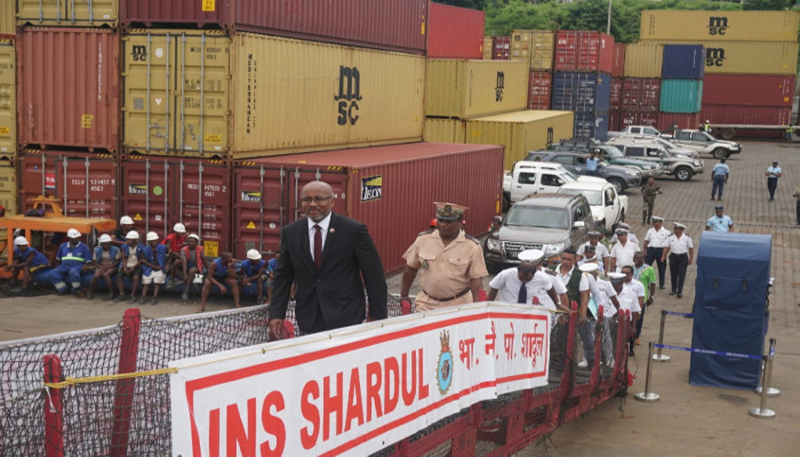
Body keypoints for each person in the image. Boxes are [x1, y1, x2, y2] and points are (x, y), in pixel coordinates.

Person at [270, 181, 387, 338]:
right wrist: (277, 314)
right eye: (306, 199)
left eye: (319, 199)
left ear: (332, 201)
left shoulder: (353, 231)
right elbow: (283, 276)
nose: (312, 204)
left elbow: (374, 275)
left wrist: (377, 316)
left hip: (347, 318)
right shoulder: (291, 233)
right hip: (309, 319)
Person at [401, 202, 487, 313]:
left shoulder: (472, 247)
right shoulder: (423, 239)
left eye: (449, 222)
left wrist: (477, 309)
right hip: (426, 304)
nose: (443, 225)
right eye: (440, 220)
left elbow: (476, 282)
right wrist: (404, 296)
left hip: (459, 305)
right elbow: (410, 268)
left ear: (460, 223)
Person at [487, 249, 564, 311]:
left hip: (529, 312)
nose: (523, 280)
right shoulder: (505, 274)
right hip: (508, 311)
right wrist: (487, 305)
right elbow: (494, 288)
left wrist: (557, 304)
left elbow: (551, 289)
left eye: (527, 279)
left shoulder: (542, 277)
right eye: (521, 278)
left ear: (534, 274)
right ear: (518, 271)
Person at [554, 249, 593, 367]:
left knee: (586, 338)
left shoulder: (580, 275)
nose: (565, 262)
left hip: (573, 312)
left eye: (569, 259)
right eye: (563, 258)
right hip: (553, 312)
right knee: (555, 339)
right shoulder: (550, 272)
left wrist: (582, 314)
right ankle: (557, 363)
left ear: (575, 260)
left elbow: (584, 295)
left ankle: (591, 361)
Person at [580, 263, 619, 368]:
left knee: (606, 337)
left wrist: (609, 314)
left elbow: (615, 301)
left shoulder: (605, 284)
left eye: (591, 274)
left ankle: (609, 359)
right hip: (588, 315)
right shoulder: (581, 283)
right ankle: (586, 359)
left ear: (595, 273)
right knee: (588, 337)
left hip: (602, 314)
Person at [50, 228, 91, 297]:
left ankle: (77, 289)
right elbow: (58, 258)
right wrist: (56, 266)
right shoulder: (63, 246)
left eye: (77, 237)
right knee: (53, 274)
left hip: (78, 266)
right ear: (70, 238)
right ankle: (63, 289)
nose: (77, 239)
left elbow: (88, 260)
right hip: (64, 266)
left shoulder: (84, 247)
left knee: (73, 272)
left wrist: (86, 266)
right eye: (75, 238)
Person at [609, 271, 641, 356]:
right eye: (613, 284)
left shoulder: (631, 293)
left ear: (621, 282)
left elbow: (635, 311)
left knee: (622, 346)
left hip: (625, 324)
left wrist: (633, 327)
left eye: (617, 284)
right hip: (609, 322)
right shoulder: (607, 291)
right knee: (608, 343)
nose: (614, 286)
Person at [661, 223, 694, 298]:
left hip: (683, 257)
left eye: (677, 229)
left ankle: (680, 291)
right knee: (673, 274)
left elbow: (691, 248)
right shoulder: (670, 237)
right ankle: (673, 289)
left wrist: (691, 258)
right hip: (673, 256)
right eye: (675, 229)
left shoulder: (687, 238)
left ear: (681, 230)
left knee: (681, 274)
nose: (675, 230)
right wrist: (663, 256)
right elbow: (666, 247)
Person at [86, 234, 121, 301]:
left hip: (112, 266)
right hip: (101, 266)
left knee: (106, 274)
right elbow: (94, 262)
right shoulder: (96, 250)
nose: (106, 245)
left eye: (107, 244)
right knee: (96, 276)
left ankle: (111, 293)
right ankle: (90, 291)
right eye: (104, 244)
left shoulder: (116, 249)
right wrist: (101, 268)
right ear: (101, 244)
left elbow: (117, 261)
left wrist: (106, 268)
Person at [632, 252, 657, 346]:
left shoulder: (649, 269)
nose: (635, 260)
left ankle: (637, 336)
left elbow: (653, 283)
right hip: (630, 296)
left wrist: (652, 296)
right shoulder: (631, 268)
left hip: (641, 298)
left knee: (639, 317)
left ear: (643, 259)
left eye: (638, 258)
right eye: (634, 258)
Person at [116, 231, 145, 303]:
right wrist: (125, 267)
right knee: (119, 277)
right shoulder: (124, 247)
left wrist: (133, 267)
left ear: (135, 240)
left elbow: (141, 259)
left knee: (136, 277)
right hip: (127, 264)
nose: (127, 241)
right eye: (127, 239)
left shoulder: (141, 247)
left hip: (137, 265)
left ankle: (132, 295)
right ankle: (122, 294)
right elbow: (124, 258)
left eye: (129, 240)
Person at [642, 216, 670, 290]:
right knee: (646, 267)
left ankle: (662, 284)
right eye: (654, 222)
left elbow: (667, 245)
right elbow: (646, 241)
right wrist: (644, 251)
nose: (654, 224)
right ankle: (646, 282)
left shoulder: (666, 232)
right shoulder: (650, 231)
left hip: (660, 250)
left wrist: (664, 255)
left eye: (656, 222)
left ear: (661, 222)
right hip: (651, 250)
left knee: (662, 268)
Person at [141, 231, 168, 305]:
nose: (154, 242)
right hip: (149, 269)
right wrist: (154, 266)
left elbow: (170, 253)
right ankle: (143, 296)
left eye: (155, 240)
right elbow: (143, 261)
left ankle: (154, 297)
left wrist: (167, 264)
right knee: (146, 282)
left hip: (160, 268)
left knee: (157, 282)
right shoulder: (145, 250)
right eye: (152, 241)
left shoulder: (163, 247)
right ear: (149, 241)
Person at [180, 234, 205, 301]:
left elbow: (204, 259)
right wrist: (185, 275)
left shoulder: (200, 249)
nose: (191, 243)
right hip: (188, 265)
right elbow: (184, 262)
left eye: (193, 241)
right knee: (177, 262)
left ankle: (186, 291)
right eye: (190, 241)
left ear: (196, 242)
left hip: (196, 265)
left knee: (192, 271)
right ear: (187, 242)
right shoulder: (184, 250)